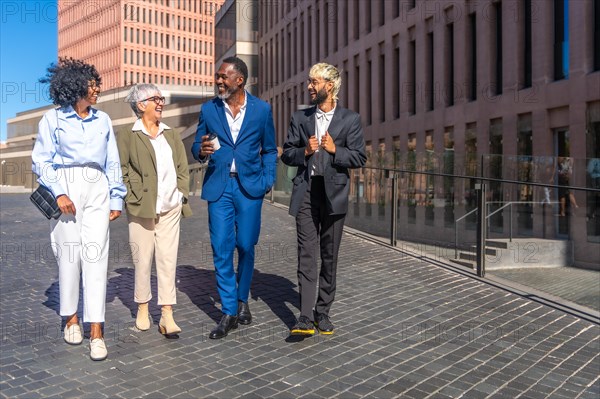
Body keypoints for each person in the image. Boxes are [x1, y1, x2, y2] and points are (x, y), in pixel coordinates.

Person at [32, 58, 126, 361]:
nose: (97, 88)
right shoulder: (52, 119)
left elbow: (112, 160)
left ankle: (96, 330)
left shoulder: (104, 120)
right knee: (69, 255)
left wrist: (116, 197)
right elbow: (41, 160)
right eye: (92, 83)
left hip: (97, 186)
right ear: (75, 86)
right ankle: (71, 318)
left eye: (97, 82)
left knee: (97, 255)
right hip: (66, 185)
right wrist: (58, 192)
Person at [191, 56, 277, 339]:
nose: (217, 81)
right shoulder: (209, 109)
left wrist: (268, 180)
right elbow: (196, 146)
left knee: (246, 245)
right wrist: (201, 150)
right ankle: (229, 310)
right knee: (221, 247)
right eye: (217, 76)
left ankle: (242, 299)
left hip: (250, 187)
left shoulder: (262, 110)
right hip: (219, 187)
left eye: (222, 76)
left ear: (239, 79)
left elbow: (269, 150)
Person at [281, 63, 366, 336]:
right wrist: (305, 150)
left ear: (329, 86)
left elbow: (359, 157)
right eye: (309, 81)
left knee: (329, 256)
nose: (308, 86)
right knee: (306, 254)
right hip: (306, 191)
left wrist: (334, 149)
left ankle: (323, 312)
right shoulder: (300, 118)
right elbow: (287, 154)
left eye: (313, 82)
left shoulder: (350, 119)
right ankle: (305, 317)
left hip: (334, 195)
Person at [118, 84, 192, 337]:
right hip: (141, 207)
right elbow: (122, 169)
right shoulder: (128, 134)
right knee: (142, 260)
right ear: (141, 105)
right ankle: (142, 307)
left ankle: (167, 314)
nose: (161, 103)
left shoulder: (170, 133)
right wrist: (132, 195)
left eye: (162, 99)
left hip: (171, 206)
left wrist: (181, 192)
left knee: (168, 260)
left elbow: (182, 167)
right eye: (155, 99)